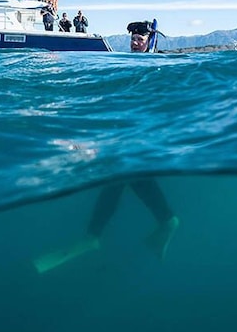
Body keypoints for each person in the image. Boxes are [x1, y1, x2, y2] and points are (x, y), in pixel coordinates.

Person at [31, 21, 179, 274]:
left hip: (139, 135)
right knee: (122, 176)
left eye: (139, 39)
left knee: (119, 174)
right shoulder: (123, 63)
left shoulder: (158, 65)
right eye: (132, 38)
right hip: (123, 133)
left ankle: (94, 237)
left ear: (150, 41)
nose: (134, 42)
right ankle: (165, 220)